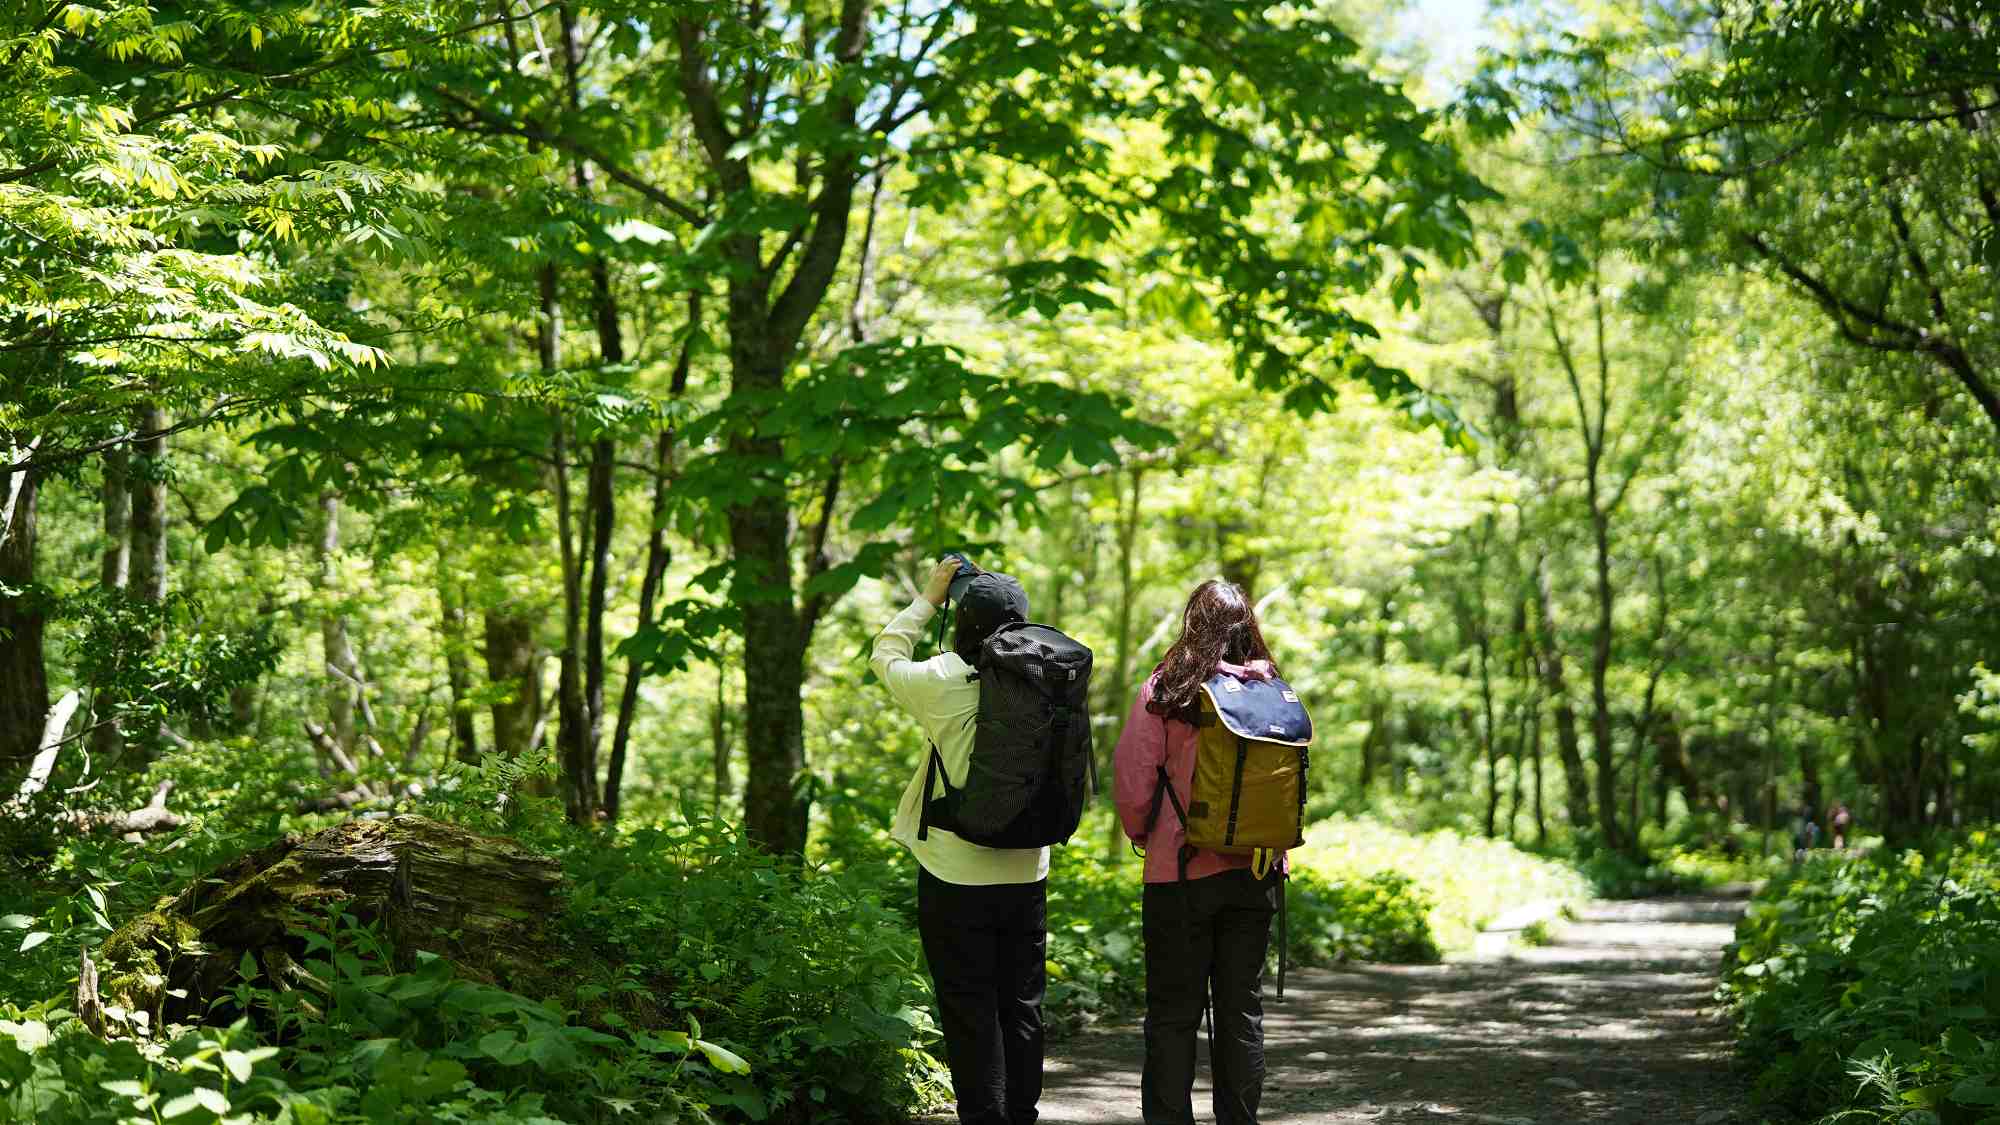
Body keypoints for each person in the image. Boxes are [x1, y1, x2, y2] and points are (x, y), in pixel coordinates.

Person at [872, 556, 1048, 1125]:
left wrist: (928, 598)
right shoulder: (1052, 673)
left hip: (954, 870)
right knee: (1020, 1002)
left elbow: (885, 654)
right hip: (1028, 866)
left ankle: (984, 1116)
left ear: (965, 620)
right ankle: (1021, 1113)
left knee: (970, 1005)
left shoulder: (941, 680)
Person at [1113, 579, 1287, 1125]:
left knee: (1172, 1014)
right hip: (1255, 872)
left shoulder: (1169, 691)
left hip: (1179, 874)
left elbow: (1133, 779)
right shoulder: (1272, 691)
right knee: (1240, 1011)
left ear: (1193, 624)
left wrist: (1144, 833)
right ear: (1248, 628)